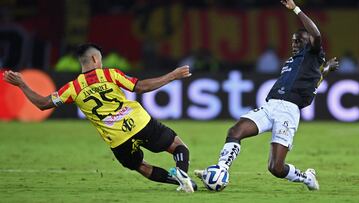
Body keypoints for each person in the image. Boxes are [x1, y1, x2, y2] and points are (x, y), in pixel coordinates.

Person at [3, 43, 197, 193]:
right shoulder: (110, 74)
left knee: (140, 166)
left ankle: (181, 182)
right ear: (95, 59)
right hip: (139, 123)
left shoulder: (72, 88)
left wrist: (22, 84)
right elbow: (141, 87)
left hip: (117, 140)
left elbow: (43, 104)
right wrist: (171, 76)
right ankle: (182, 172)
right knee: (178, 146)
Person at [195, 0, 339, 191]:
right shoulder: (293, 61)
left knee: (275, 168)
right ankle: (222, 169)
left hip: (288, 112)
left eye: (299, 40)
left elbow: (317, 34)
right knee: (234, 132)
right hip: (270, 106)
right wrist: (325, 71)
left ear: (309, 43)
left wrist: (295, 9)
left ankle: (306, 177)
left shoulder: (311, 54)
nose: (294, 43)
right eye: (293, 40)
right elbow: (313, 80)